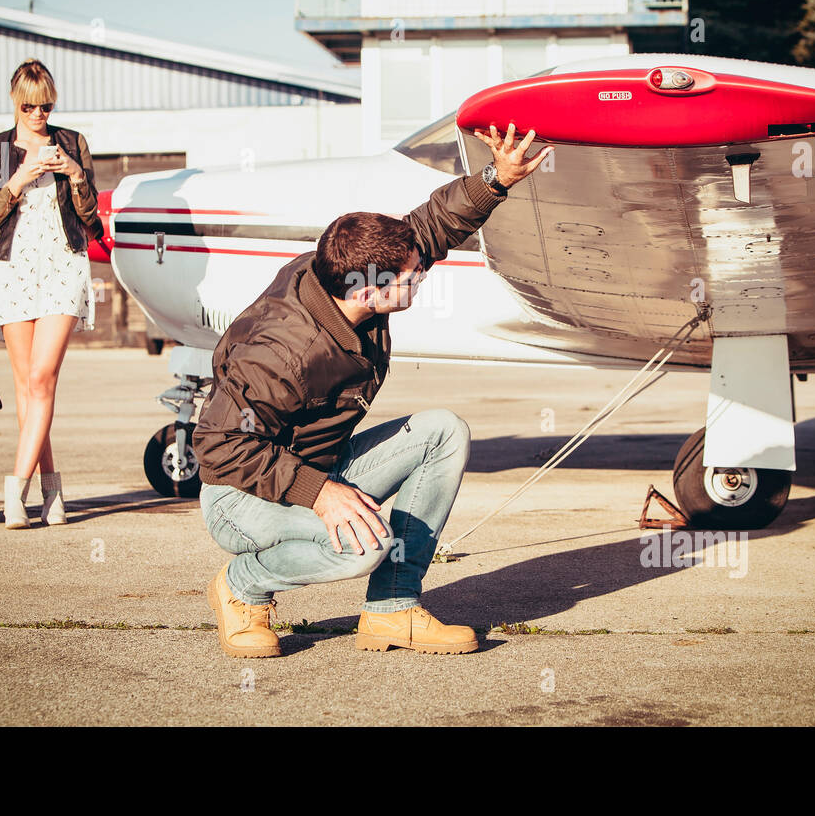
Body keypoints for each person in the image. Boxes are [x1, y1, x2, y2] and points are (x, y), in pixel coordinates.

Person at [193, 122, 554, 657]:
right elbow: (218, 444)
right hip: (241, 494)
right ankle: (242, 587)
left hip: (315, 465)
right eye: (412, 276)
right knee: (365, 546)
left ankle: (393, 610)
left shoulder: (348, 273)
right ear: (368, 288)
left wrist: (495, 180)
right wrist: (318, 493)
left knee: (442, 432)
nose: (423, 275)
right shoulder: (281, 352)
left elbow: (429, 227)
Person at [0, 58, 102, 529]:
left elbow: (91, 220)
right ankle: (52, 493)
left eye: (45, 105)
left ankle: (14, 491)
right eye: (29, 106)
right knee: (27, 387)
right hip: (13, 271)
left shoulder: (73, 144)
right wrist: (19, 179)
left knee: (43, 377)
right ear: (15, 102)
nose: (38, 114)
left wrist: (75, 173)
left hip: (64, 267)